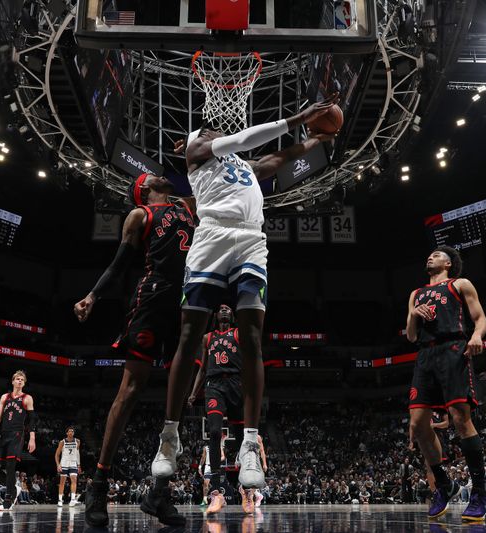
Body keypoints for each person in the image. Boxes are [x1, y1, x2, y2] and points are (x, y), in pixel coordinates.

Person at [150, 94, 340, 522]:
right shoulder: (199, 151)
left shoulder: (239, 167)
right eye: (208, 129)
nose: (213, 129)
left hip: (252, 239)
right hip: (212, 237)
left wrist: (314, 140)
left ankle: (251, 442)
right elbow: (244, 136)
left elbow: (277, 159)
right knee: (189, 335)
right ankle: (169, 435)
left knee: (252, 335)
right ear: (193, 143)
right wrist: (297, 117)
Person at [75, 173, 195, 528]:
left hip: (189, 299)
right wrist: (93, 295)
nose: (162, 173)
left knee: (180, 395)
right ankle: (98, 484)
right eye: (153, 176)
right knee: (130, 389)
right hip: (153, 298)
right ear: (144, 189)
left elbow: (211, 177)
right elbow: (118, 264)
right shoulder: (139, 214)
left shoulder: (188, 206)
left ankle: (159, 491)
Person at [406, 245, 486, 521]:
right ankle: (443, 483)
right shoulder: (415, 294)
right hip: (425, 355)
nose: (430, 256)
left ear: (448, 264)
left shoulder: (460, 284)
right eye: (429, 254)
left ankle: (480, 492)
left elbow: (480, 319)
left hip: (453, 349)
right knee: (418, 424)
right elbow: (410, 336)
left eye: (437, 255)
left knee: (459, 418)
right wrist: (413, 315)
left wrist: (476, 336)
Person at [188, 304, 245, 514]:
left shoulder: (239, 333)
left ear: (233, 315)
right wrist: (194, 393)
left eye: (228, 309)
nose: (223, 310)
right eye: (220, 308)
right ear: (215, 314)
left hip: (235, 384)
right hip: (214, 386)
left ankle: (247, 488)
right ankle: (216, 491)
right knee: (213, 432)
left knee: (240, 437)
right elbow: (202, 368)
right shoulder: (207, 338)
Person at [0, 370, 37, 511]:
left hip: (17, 435)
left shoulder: (27, 398)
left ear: (24, 383)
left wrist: (32, 438)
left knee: (10, 467)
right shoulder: (5, 397)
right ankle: (13, 488)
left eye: (22, 380)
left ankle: (8, 501)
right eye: (17, 379)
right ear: (13, 381)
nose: (20, 381)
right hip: (4, 435)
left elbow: (32, 420)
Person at [55, 427, 81, 507]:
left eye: (72, 431)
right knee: (62, 482)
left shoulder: (77, 441)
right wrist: (58, 464)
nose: (71, 432)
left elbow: (77, 453)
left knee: (74, 480)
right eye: (69, 431)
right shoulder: (62, 442)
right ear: (66, 433)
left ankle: (72, 499)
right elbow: (57, 455)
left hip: (73, 463)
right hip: (64, 463)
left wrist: (79, 465)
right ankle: (60, 500)